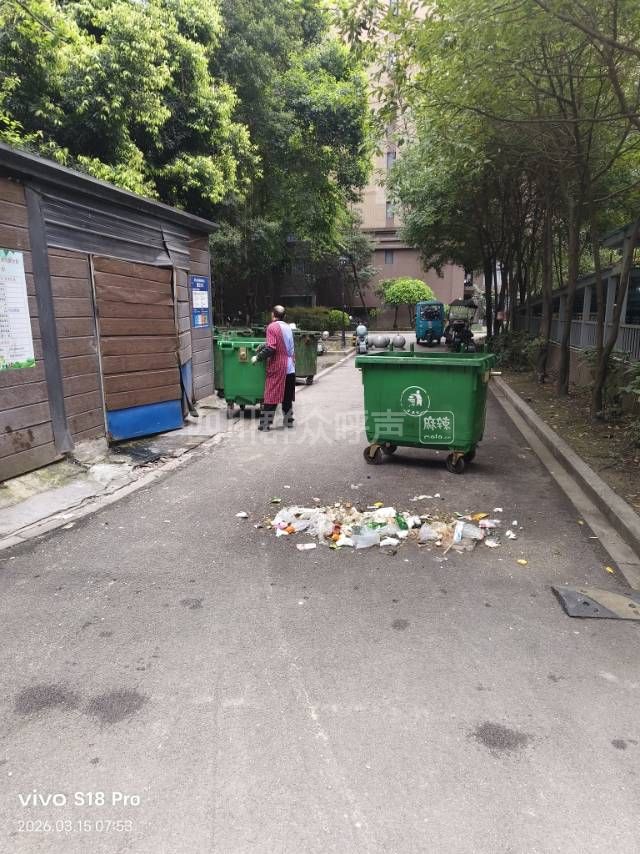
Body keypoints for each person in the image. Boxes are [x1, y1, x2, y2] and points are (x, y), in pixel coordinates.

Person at [252, 305, 295, 431]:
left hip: (278, 366)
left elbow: (272, 348)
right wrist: (264, 345)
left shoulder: (272, 327)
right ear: (284, 316)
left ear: (272, 315)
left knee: (271, 394)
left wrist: (258, 357)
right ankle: (288, 421)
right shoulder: (288, 327)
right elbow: (280, 343)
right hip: (290, 366)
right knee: (287, 396)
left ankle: (265, 424)